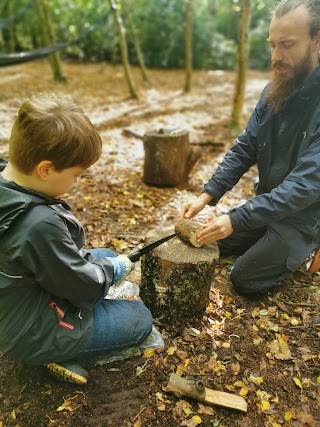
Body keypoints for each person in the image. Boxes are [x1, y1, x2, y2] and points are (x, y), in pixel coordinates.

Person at [0, 94, 153, 385]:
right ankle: (55, 352)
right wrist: (113, 272)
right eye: (76, 175)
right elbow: (81, 287)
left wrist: (106, 267)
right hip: (32, 330)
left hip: (20, 299)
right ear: (45, 169)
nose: (76, 182)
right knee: (138, 318)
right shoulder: (39, 225)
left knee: (105, 253)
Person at [180, 0, 320, 297]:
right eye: (272, 45)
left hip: (304, 218)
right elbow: (246, 147)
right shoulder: (273, 90)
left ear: (316, 41)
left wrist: (236, 219)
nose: (276, 57)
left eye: (287, 45)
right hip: (268, 204)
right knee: (206, 238)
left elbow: (304, 187)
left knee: (244, 278)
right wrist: (208, 195)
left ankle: (307, 247)